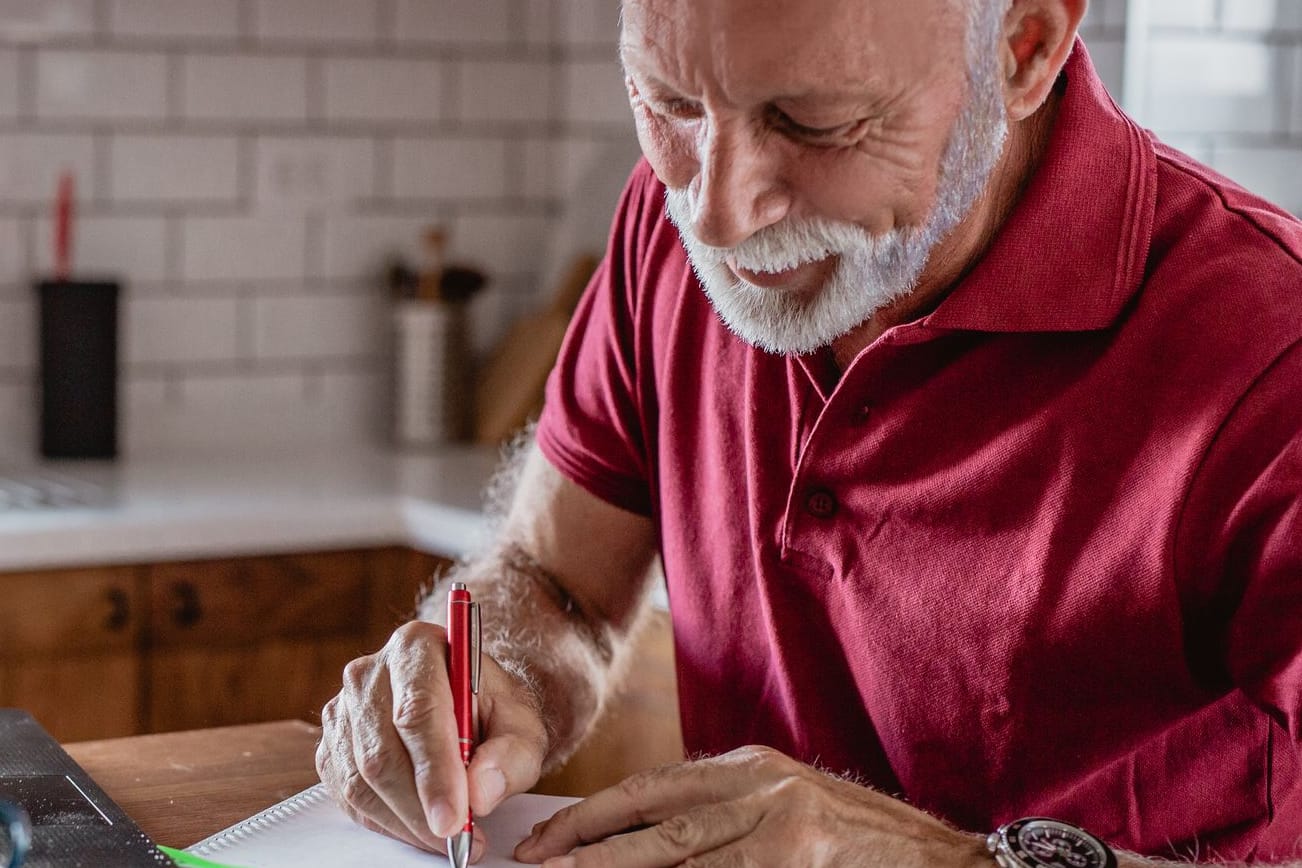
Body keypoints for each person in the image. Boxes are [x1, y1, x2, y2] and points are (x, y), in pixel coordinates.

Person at [317, 0, 1302, 864]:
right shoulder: (668, 230)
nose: (718, 211)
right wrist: (489, 678)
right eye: (667, 103)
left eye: (815, 122)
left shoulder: (1269, 355)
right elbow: (556, 583)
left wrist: (951, 865)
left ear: (1025, 49)